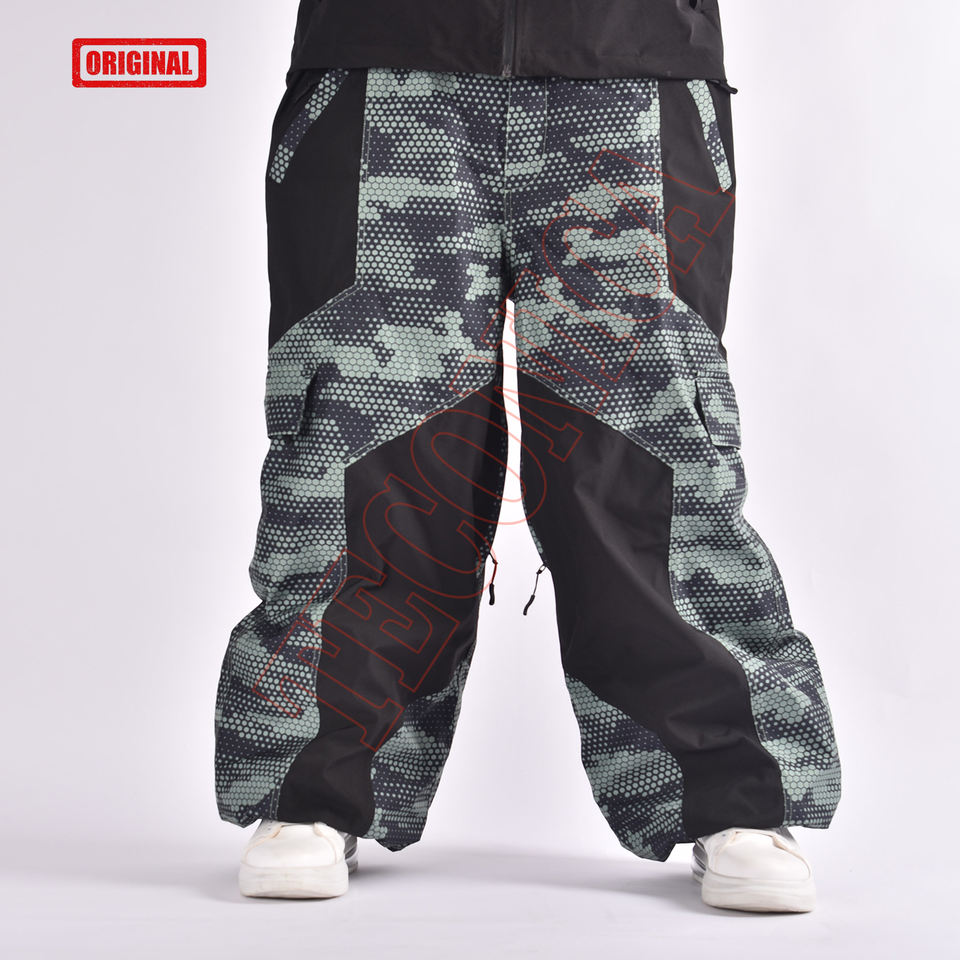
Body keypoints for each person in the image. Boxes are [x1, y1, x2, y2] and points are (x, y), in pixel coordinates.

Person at [214, 0, 842, 913]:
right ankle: (313, 784)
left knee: (651, 460)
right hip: (384, 57)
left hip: (629, 62)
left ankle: (732, 796)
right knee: (361, 450)